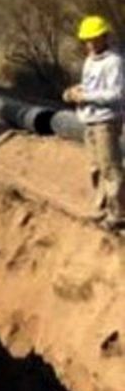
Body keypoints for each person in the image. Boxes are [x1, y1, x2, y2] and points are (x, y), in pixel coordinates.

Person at [63, 15, 125, 230]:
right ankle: (103, 208)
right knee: (96, 167)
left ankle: (118, 214)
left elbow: (116, 94)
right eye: (85, 40)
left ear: (103, 37)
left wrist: (86, 96)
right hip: (90, 120)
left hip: (106, 121)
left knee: (110, 168)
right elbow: (90, 86)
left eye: (92, 39)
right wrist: (74, 92)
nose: (88, 43)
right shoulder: (90, 61)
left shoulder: (114, 62)